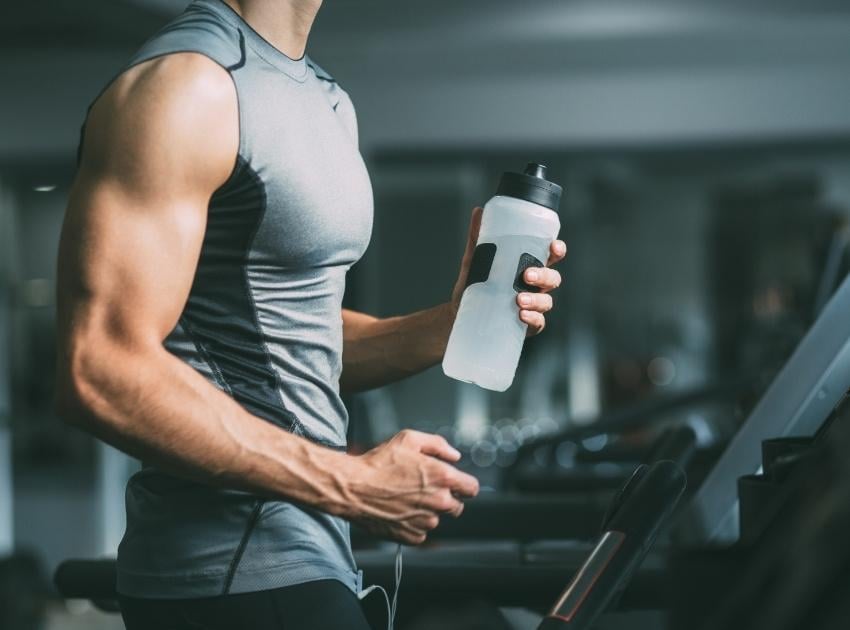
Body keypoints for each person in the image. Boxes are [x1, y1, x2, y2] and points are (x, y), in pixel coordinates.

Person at [55, 0, 566, 628]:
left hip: (315, 560)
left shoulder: (325, 99)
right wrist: (351, 483)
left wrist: (454, 322)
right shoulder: (186, 85)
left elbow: (296, 342)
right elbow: (99, 368)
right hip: (229, 576)